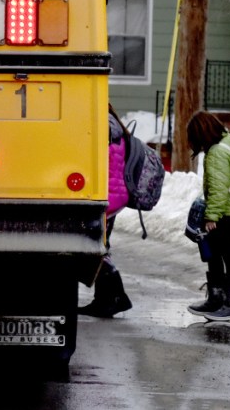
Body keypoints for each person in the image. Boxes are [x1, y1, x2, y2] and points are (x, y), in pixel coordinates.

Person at [185, 111, 230, 322]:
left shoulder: (216, 153)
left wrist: (211, 216)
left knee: (227, 257)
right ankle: (216, 300)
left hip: (225, 213)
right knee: (217, 255)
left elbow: (218, 187)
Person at [77, 105, 133, 318]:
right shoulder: (114, 126)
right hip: (114, 195)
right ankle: (109, 298)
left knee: (96, 246)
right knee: (100, 244)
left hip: (105, 197)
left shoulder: (103, 127)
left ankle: (113, 298)